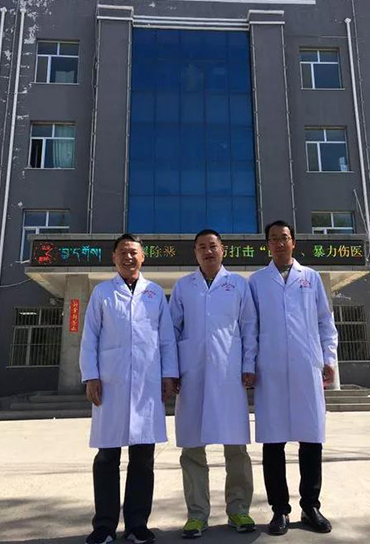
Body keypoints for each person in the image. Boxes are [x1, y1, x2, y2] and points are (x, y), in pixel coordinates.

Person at [80, 233, 179, 544]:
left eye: (134, 252)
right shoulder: (102, 292)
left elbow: (166, 338)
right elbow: (90, 337)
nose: (128, 257)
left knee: (143, 458)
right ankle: (104, 526)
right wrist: (91, 375)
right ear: (114, 258)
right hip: (111, 383)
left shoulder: (154, 293)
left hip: (147, 385)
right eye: (122, 252)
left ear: (143, 257)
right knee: (107, 457)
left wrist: (169, 375)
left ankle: (137, 524)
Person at [249, 220, 338, 536]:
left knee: (311, 439)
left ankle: (310, 506)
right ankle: (279, 510)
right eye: (273, 239)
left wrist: (328, 358)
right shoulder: (257, 281)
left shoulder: (310, 278)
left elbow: (325, 321)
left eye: (284, 237)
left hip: (305, 367)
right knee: (273, 442)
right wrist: (249, 364)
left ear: (293, 242)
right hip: (270, 370)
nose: (279, 243)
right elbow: (250, 328)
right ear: (267, 245)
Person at [169, 229, 258, 538]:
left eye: (212, 246)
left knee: (236, 447)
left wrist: (249, 365)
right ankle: (197, 514)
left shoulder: (239, 285)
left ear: (223, 250)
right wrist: (172, 370)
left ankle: (239, 510)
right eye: (201, 247)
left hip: (229, 374)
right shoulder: (184, 286)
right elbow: (171, 330)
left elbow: (249, 327)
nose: (208, 251)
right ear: (195, 252)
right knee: (192, 449)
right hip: (191, 375)